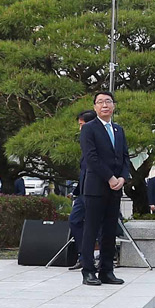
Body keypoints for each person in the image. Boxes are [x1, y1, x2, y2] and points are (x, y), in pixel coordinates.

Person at [77, 91, 130, 287]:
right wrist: (109, 177)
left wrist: (123, 178)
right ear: (95, 107)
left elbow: (125, 157)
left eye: (108, 101)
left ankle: (107, 271)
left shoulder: (118, 130)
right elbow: (91, 158)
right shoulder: (89, 129)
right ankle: (88, 271)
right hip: (96, 186)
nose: (104, 105)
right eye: (100, 102)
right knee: (91, 230)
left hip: (116, 187)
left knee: (109, 230)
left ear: (114, 106)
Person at [65, 109, 97, 268]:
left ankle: (104, 256)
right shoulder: (85, 145)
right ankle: (83, 255)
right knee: (74, 220)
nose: (80, 129)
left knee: (98, 225)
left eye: (82, 125)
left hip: (96, 192)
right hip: (83, 193)